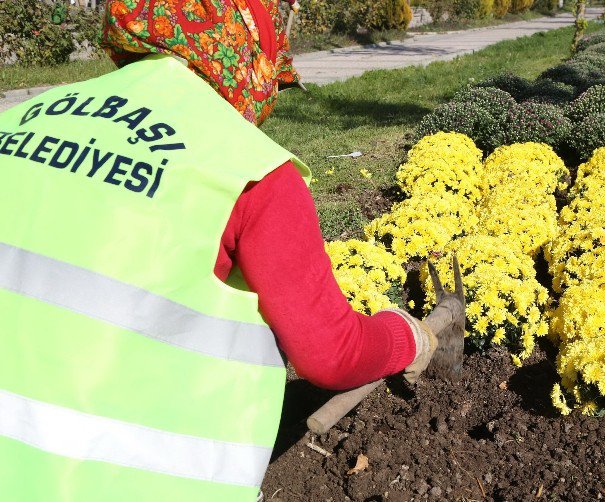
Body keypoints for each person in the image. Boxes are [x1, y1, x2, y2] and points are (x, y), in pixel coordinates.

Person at [0, 1, 446, 500]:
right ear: (250, 51)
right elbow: (331, 355)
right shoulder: (248, 170)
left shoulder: (18, 121)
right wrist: (408, 336)